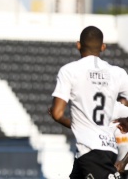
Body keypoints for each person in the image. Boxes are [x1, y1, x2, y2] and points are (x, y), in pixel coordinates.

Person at [49, 26, 128, 179]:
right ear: (103, 47)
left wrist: (82, 126)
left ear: (78, 45)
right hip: (105, 149)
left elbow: (57, 113)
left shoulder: (69, 71)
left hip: (91, 150)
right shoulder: (117, 73)